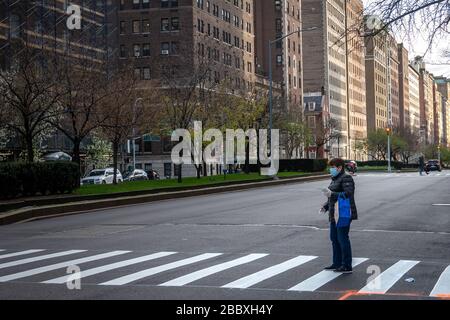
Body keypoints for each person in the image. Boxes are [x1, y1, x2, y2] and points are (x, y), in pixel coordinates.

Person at [319, 158, 358, 273]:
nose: (330, 169)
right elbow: (332, 197)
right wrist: (325, 206)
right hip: (334, 214)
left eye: (332, 167)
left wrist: (332, 193)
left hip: (343, 213)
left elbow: (348, 193)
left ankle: (346, 265)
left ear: (339, 167)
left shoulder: (346, 177)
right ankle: (336, 263)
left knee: (342, 239)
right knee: (334, 239)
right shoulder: (335, 179)